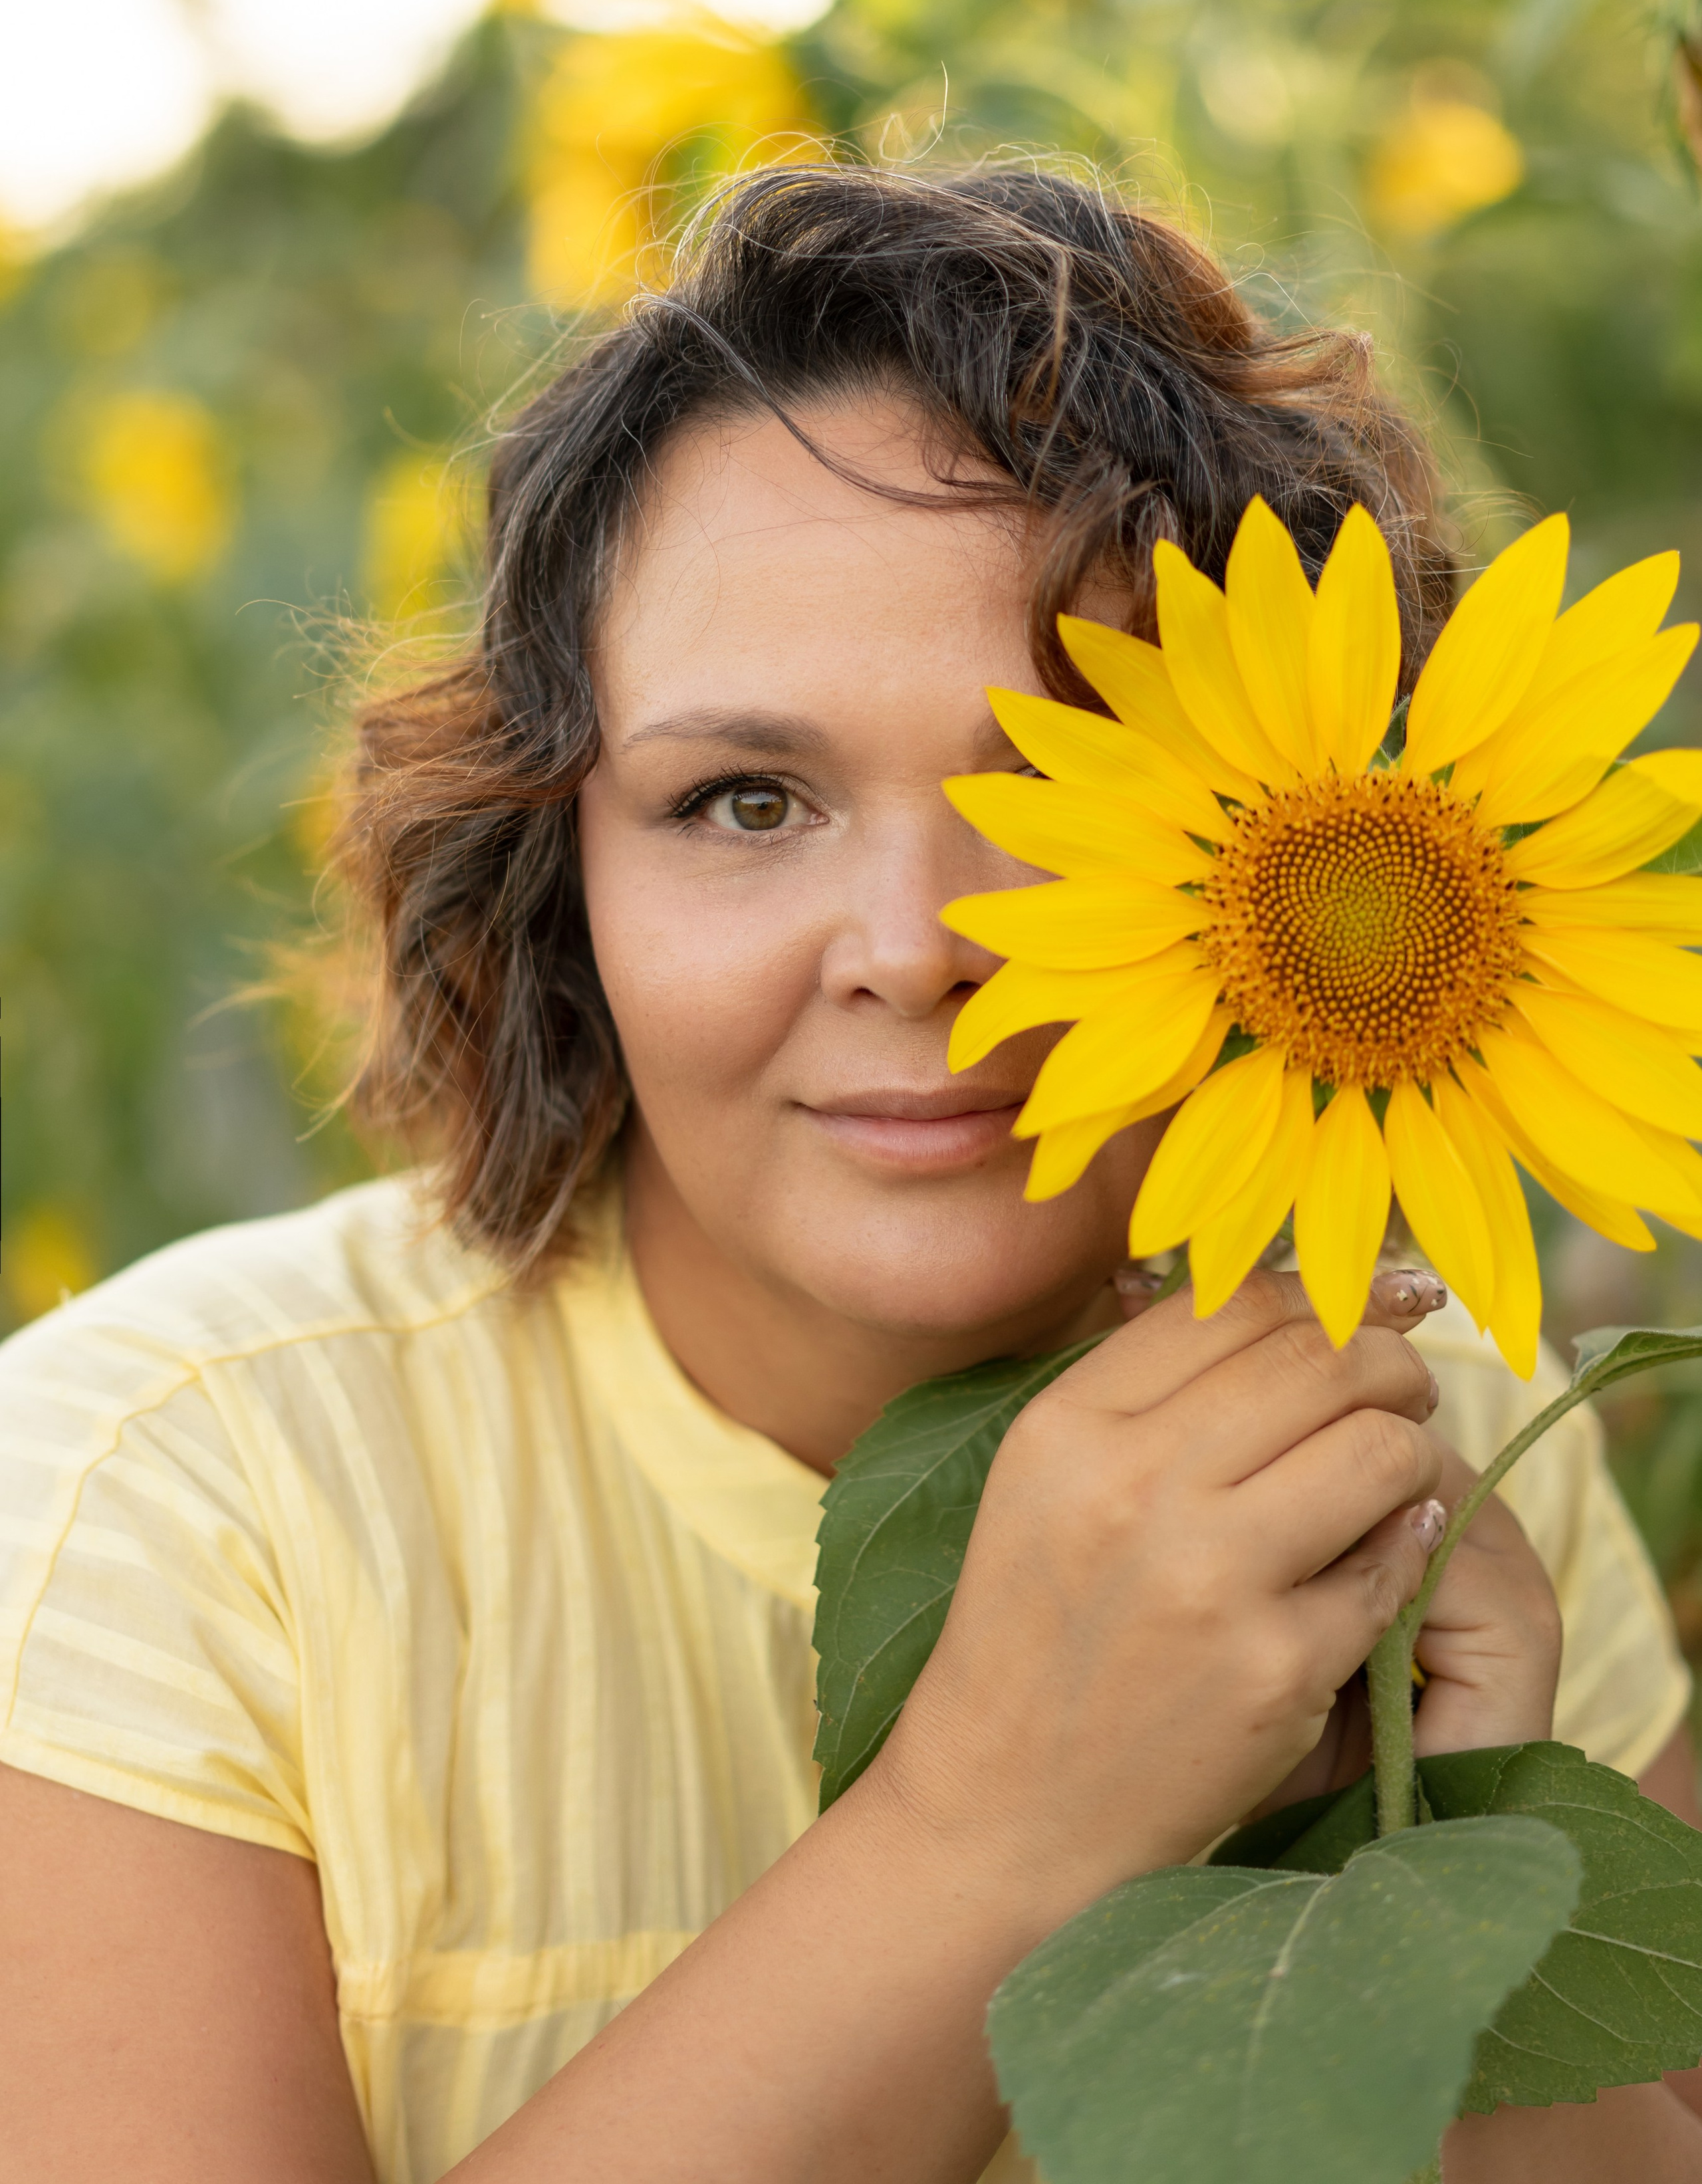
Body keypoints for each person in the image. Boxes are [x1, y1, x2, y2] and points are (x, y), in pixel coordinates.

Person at [1, 167, 1697, 2184]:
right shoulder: (171, 1504)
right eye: (745, 799)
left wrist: (1447, 1879)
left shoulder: (1454, 1446)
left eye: (1047, 788)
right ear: (561, 875)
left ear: (1329, 820)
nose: (913, 941)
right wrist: (1007, 1820)